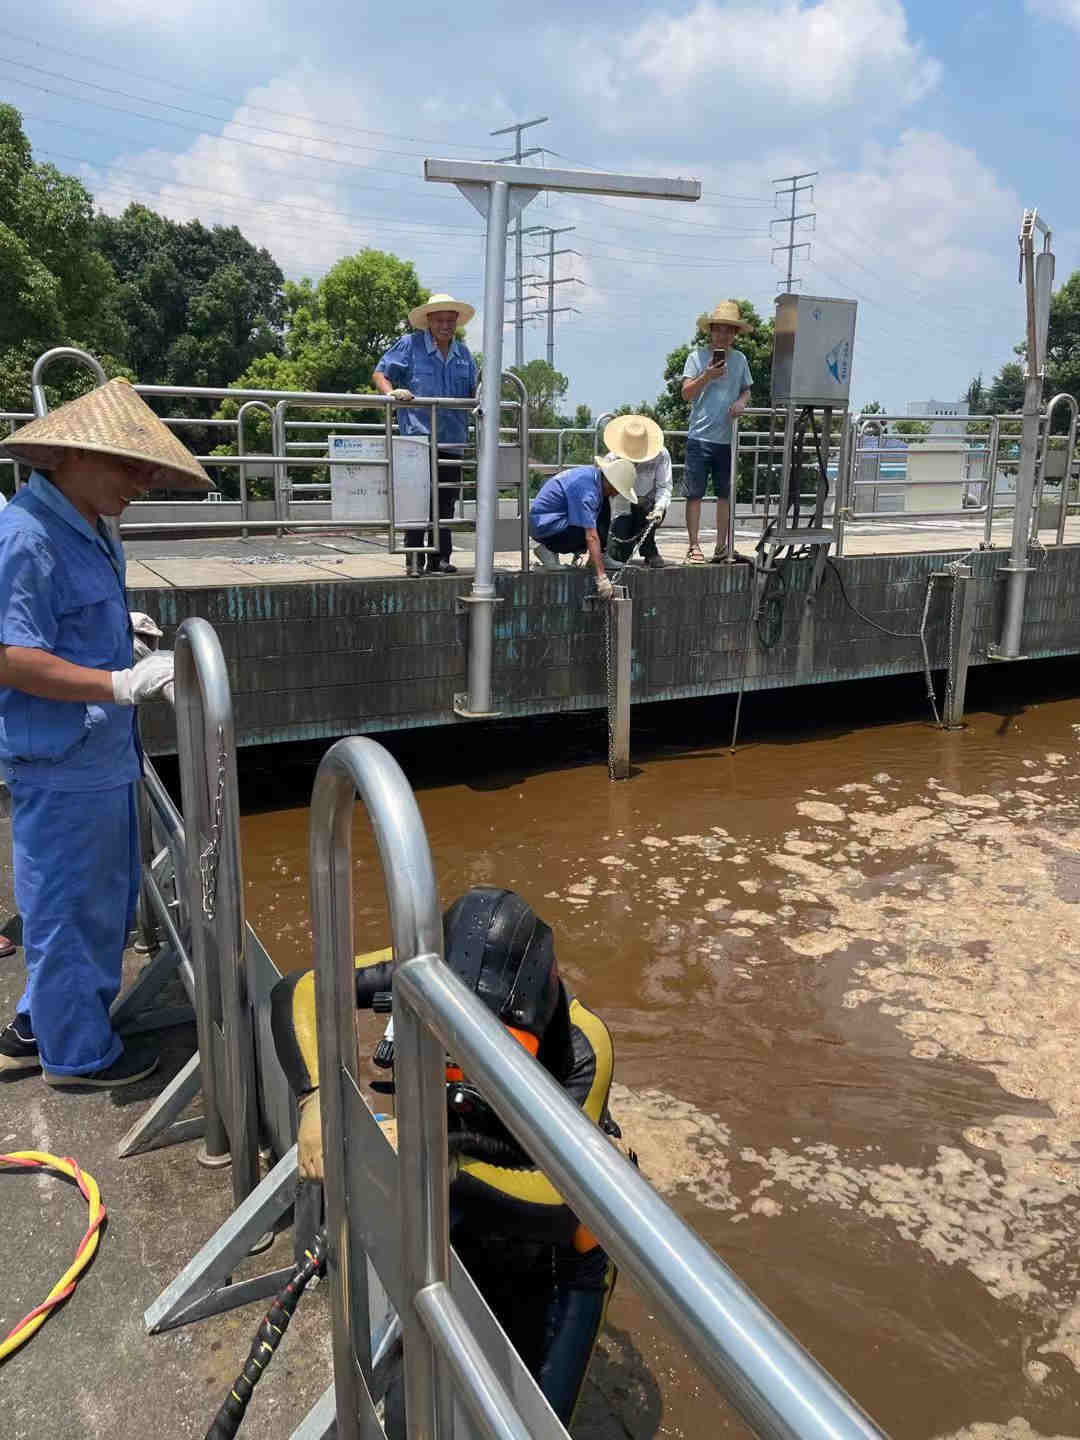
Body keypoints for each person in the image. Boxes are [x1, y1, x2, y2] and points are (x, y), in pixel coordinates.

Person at [271, 886, 620, 1429]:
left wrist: (441, 1160)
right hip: (463, 1202)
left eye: (498, 1048)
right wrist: (316, 1099)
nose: (475, 1065)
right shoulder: (421, 971)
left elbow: (561, 1203)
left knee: (529, 1422)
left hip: (553, 1253)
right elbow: (302, 988)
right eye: (458, 1043)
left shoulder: (581, 1045)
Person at [0, 377, 211, 1086]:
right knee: (68, 911)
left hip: (98, 754)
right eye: (128, 464)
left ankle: (41, 1021)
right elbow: (10, 657)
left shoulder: (86, 525)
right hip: (63, 763)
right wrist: (118, 683)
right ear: (66, 456)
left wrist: (124, 642)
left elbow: (64, 628)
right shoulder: (27, 537)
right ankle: (78, 1059)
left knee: (100, 904)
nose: (143, 480)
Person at [373, 293, 477, 576]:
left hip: (452, 439)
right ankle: (414, 558)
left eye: (450, 320)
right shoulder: (410, 344)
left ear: (456, 322)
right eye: (439, 320)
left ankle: (441, 558)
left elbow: (473, 390)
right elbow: (381, 373)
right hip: (417, 437)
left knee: (445, 501)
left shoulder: (464, 354)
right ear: (428, 321)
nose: (445, 325)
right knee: (415, 500)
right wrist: (390, 392)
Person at [681, 300, 753, 565]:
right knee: (695, 494)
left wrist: (742, 402)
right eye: (718, 329)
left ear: (735, 333)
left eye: (729, 330)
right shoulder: (696, 357)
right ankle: (693, 546)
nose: (723, 334)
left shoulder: (740, 359)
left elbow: (746, 388)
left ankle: (722, 546)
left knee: (725, 494)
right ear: (710, 331)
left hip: (727, 439)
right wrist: (707, 375)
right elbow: (686, 393)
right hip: (699, 437)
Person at [528, 454, 638, 599]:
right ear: (611, 483)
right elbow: (591, 536)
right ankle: (545, 548)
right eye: (618, 490)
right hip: (545, 527)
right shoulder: (588, 492)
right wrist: (601, 577)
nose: (617, 494)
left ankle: (592, 557)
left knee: (601, 511)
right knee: (590, 532)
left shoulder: (593, 477)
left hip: (552, 521)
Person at [601, 414, 672, 570]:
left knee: (646, 507)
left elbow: (664, 486)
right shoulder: (611, 460)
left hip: (648, 505)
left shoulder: (661, 455)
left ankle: (649, 549)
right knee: (619, 554)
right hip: (620, 509)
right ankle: (615, 547)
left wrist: (660, 508)